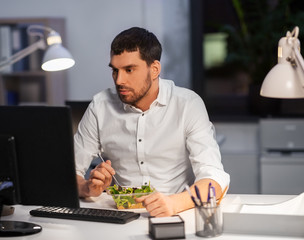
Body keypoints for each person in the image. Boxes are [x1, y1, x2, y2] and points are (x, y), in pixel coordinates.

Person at [75, 27, 230, 217]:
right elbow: (69, 172)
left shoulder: (188, 104)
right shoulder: (100, 106)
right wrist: (87, 188)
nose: (119, 80)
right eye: (115, 70)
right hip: (118, 215)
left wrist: (173, 204)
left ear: (154, 69)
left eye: (129, 70)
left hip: (177, 211)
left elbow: (214, 178)